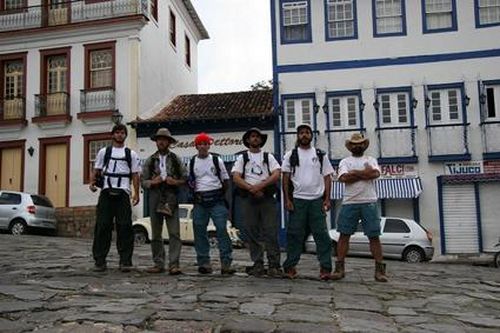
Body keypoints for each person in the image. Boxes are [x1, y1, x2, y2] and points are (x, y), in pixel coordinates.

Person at [331, 133, 388, 282]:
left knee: (374, 236)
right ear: (350, 146)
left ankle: (380, 270)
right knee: (344, 235)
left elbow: (375, 173)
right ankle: (339, 268)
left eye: (360, 143)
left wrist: (355, 173)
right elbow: (343, 178)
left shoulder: (371, 160)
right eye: (354, 143)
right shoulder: (345, 161)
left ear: (364, 145)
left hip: (369, 201)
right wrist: (364, 173)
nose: (357, 145)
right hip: (350, 202)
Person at [281, 124, 334, 281]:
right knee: (294, 235)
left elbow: (327, 176)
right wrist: (287, 199)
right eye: (301, 133)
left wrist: (327, 198)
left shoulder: (320, 154)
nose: (304, 135)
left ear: (311, 135)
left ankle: (325, 268)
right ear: (297, 136)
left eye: (307, 133)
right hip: (298, 200)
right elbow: (285, 177)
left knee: (322, 235)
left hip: (316, 200)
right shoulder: (291, 155)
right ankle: (290, 267)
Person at [89, 123, 141, 272]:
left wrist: (136, 193)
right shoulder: (104, 152)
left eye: (122, 133)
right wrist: (92, 183)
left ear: (125, 135)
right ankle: (100, 260)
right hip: (106, 192)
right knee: (102, 226)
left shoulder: (131, 154)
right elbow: (96, 169)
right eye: (117, 132)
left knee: (125, 226)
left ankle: (125, 261)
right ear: (113, 135)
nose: (119, 135)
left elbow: (135, 175)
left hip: (123, 193)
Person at [232, 128, 282, 277]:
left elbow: (277, 174)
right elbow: (236, 177)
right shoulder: (242, 158)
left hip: (266, 197)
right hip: (249, 198)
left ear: (261, 140)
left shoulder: (268, 157)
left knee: (270, 231)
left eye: (257, 137)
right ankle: (258, 263)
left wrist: (261, 186)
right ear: (248, 140)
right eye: (252, 137)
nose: (255, 139)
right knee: (251, 230)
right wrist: (251, 188)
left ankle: (274, 265)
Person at [141, 128, 187, 275]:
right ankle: (158, 263)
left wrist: (175, 182)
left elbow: (185, 178)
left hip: (171, 196)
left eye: (164, 139)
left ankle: (174, 264)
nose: (161, 141)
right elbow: (143, 182)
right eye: (159, 139)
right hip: (155, 195)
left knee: (174, 232)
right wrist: (153, 182)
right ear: (156, 142)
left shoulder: (176, 159)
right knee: (155, 232)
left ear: (169, 142)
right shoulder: (150, 160)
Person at [189, 133, 235, 275]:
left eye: (205, 143)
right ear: (196, 146)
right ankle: (204, 262)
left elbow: (226, 181)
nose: (203, 146)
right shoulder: (192, 162)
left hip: (216, 200)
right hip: (200, 201)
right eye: (200, 144)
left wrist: (221, 195)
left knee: (221, 229)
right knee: (199, 231)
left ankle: (226, 263)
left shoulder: (217, 160)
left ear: (209, 145)